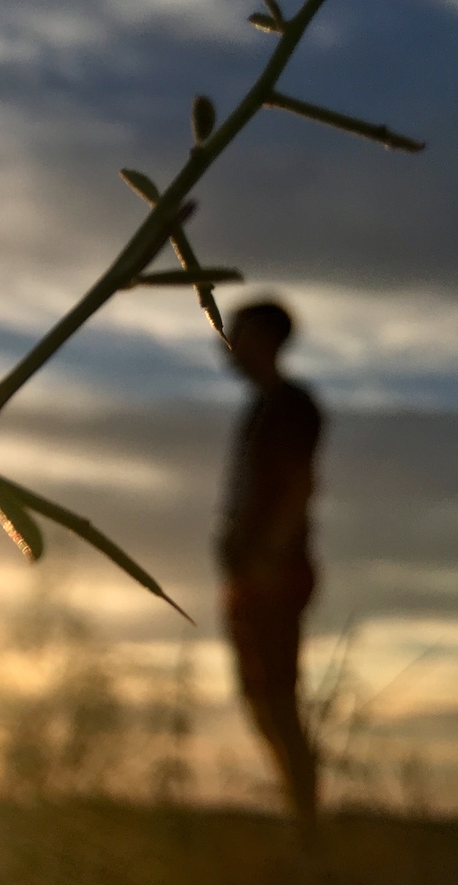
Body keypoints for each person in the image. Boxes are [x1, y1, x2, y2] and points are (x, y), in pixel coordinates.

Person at [218, 299, 323, 834]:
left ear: (263, 338)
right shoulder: (261, 409)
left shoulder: (290, 406)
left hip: (272, 575)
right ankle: (299, 820)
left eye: (235, 331)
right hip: (253, 574)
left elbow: (299, 487)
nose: (225, 342)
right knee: (263, 697)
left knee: (276, 697)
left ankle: (304, 828)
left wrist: (268, 557)